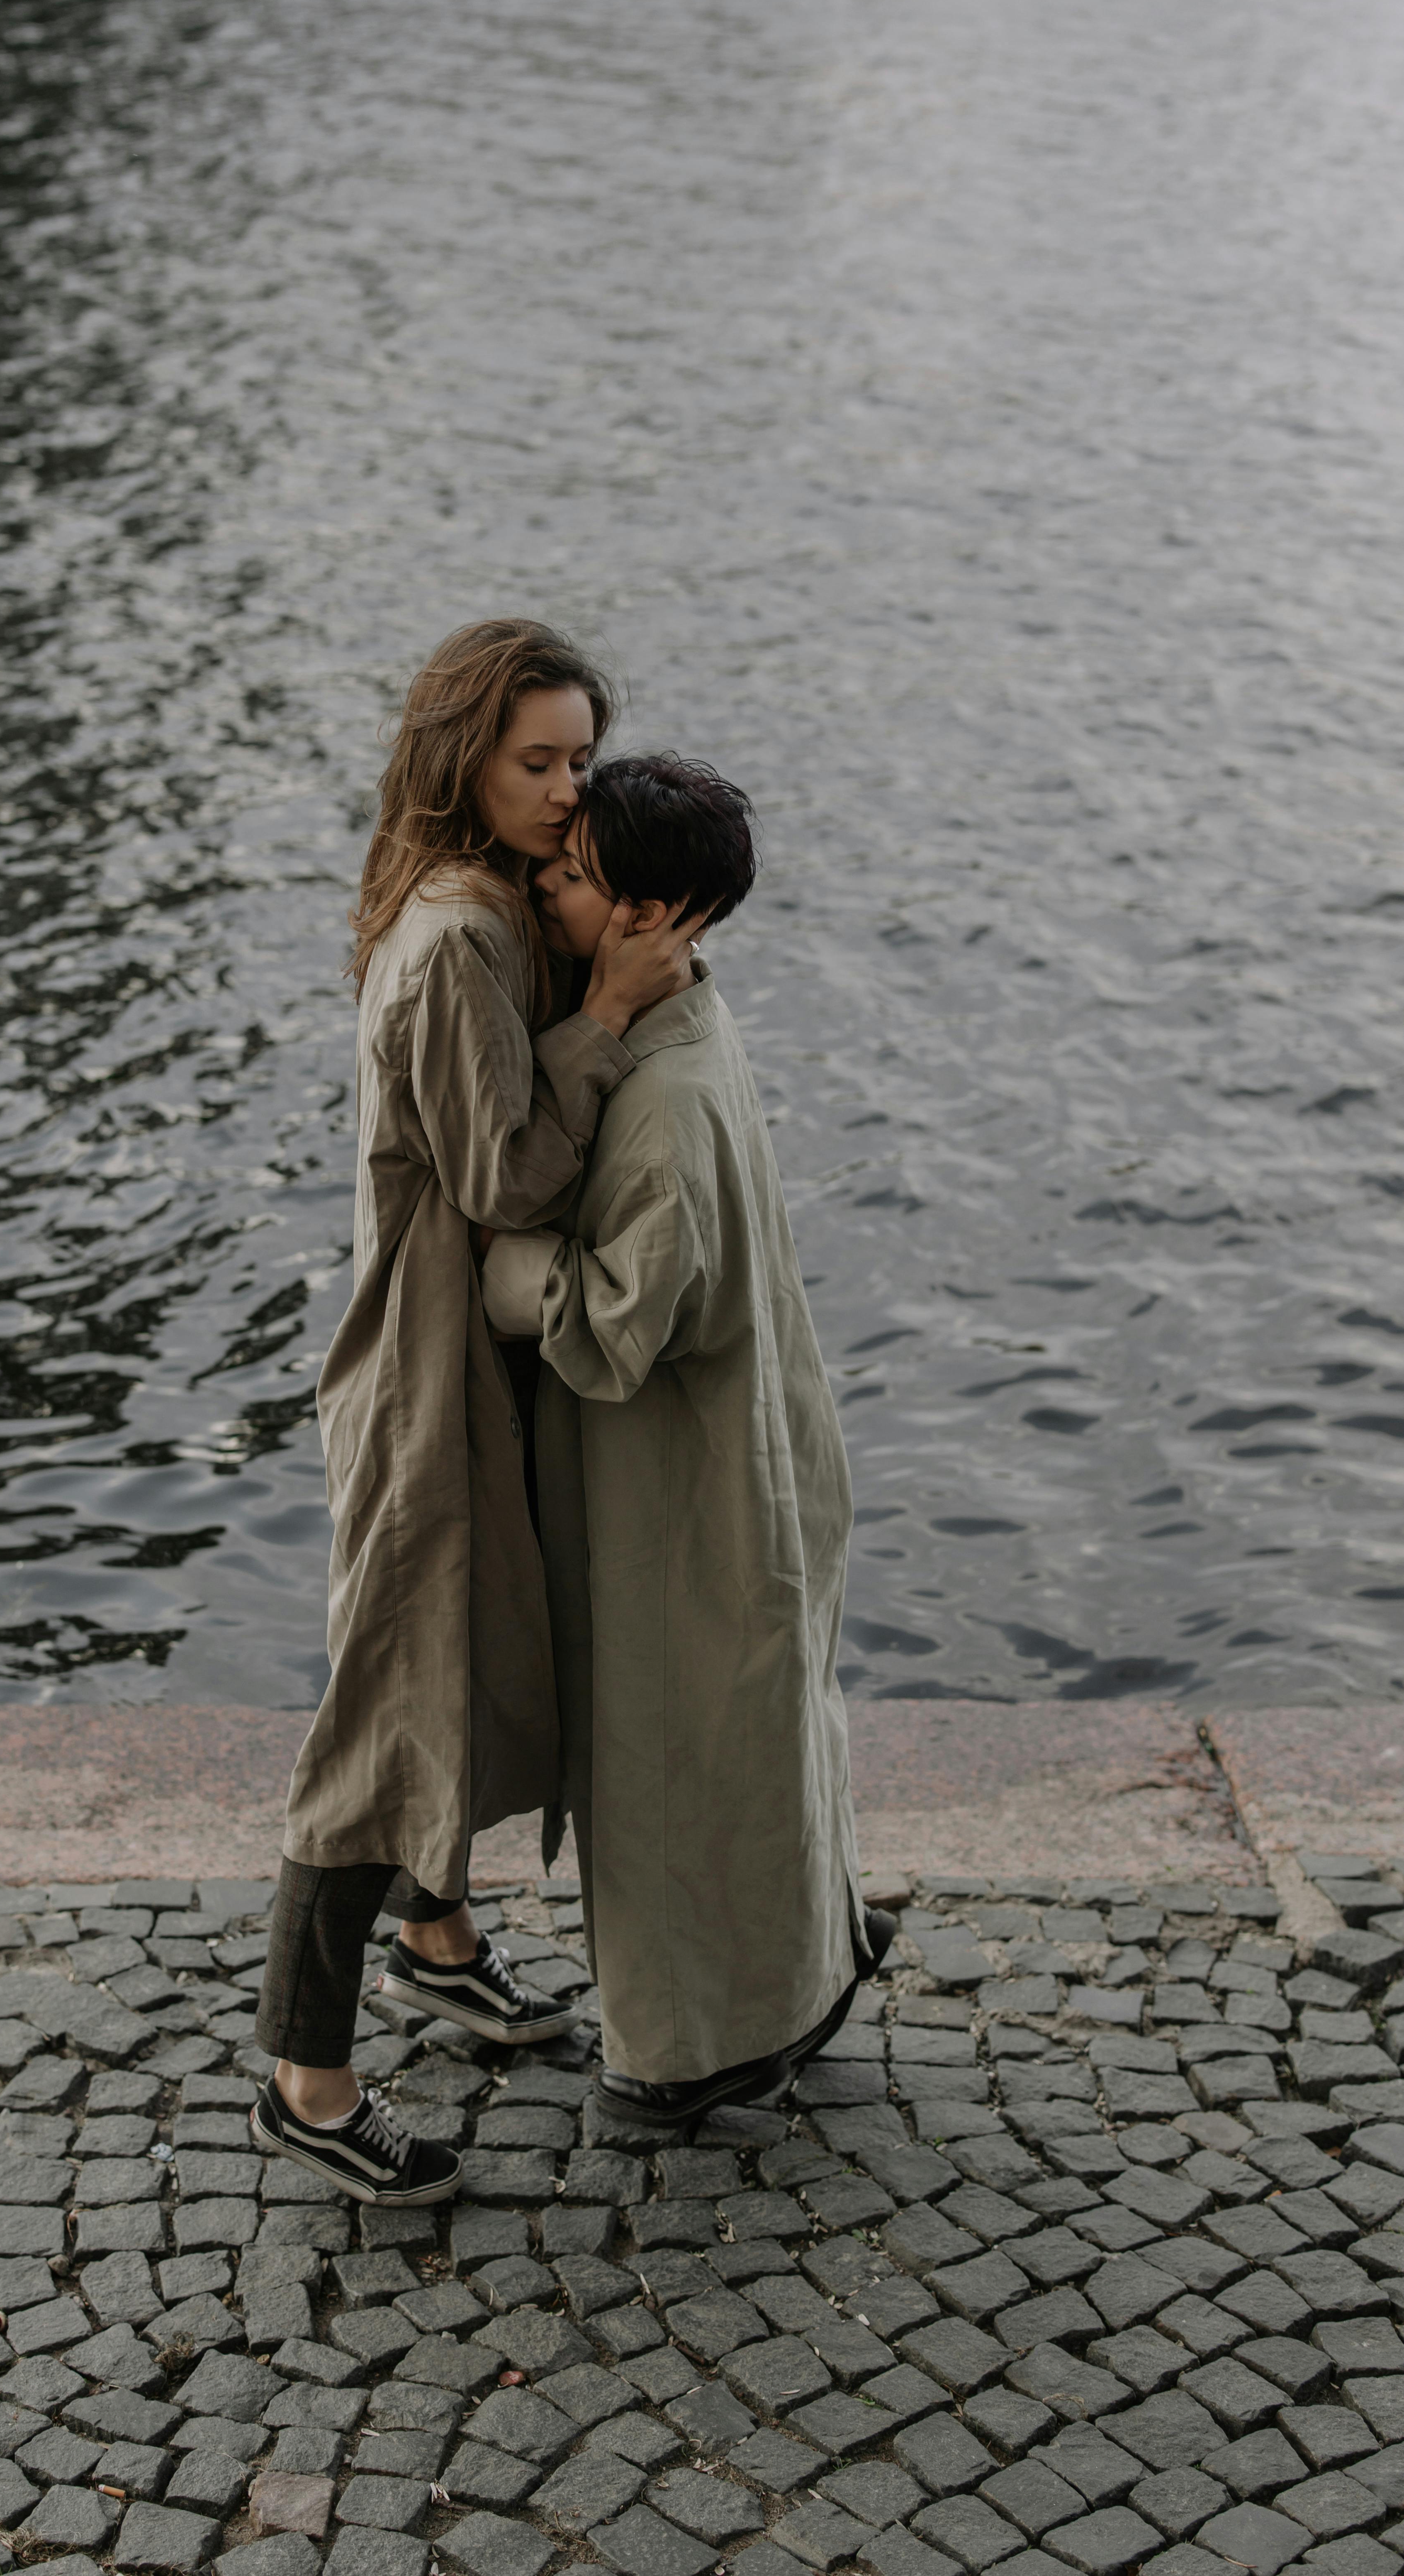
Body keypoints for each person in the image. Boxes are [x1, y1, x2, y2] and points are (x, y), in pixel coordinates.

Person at [250, 622, 697, 2203]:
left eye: (579, 758)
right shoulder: (451, 939)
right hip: (425, 1382)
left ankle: (436, 1943)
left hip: (477, 1367)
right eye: (537, 761)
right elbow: (504, 1171)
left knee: (475, 1667)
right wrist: (614, 1018)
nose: (567, 788)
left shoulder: (497, 899)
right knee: (386, 1719)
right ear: (464, 758)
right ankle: (308, 2081)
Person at [479, 754, 891, 2128]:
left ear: (655, 914)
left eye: (575, 875)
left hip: (678, 1492)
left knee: (661, 1765)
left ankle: (684, 2050)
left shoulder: (655, 1104)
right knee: (759, 1734)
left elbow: (615, 1325)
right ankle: (802, 1976)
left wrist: (506, 1271)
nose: (546, 878)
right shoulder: (693, 1025)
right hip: (755, 1448)